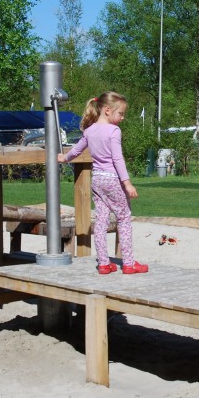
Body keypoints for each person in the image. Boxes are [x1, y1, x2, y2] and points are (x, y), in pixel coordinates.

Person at [57, 92, 148, 275]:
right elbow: (117, 159)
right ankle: (129, 263)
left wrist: (64, 158)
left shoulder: (89, 131)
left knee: (101, 220)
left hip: (97, 179)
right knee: (123, 218)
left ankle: (104, 264)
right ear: (107, 110)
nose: (122, 117)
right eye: (120, 113)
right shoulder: (114, 131)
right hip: (113, 180)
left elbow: (76, 150)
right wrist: (127, 183)